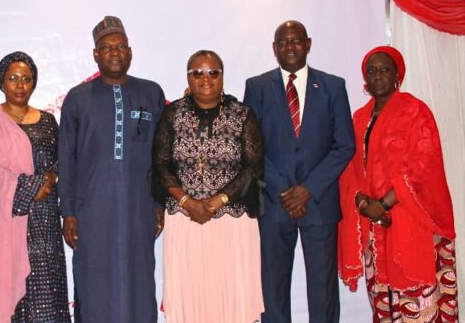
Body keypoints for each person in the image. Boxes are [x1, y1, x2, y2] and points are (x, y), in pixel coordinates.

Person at [243, 20, 355, 322]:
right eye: (283, 42)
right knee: (273, 290)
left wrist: (308, 189)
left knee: (323, 290)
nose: (290, 46)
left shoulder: (333, 86)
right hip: (275, 204)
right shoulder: (257, 87)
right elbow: (251, 146)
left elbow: (344, 145)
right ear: (274, 49)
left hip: (319, 203)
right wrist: (284, 191)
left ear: (308, 44)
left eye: (296, 40)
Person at [337, 46, 458, 322]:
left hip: (412, 219)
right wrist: (363, 203)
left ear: (397, 75)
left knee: (420, 300)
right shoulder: (358, 118)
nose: (377, 76)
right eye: (372, 70)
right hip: (373, 226)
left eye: (384, 69)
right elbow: (348, 168)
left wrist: (384, 204)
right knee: (384, 302)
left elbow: (423, 166)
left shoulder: (415, 111)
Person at [58, 16, 165, 322]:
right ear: (95, 54)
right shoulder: (77, 98)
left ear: (130, 52)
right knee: (94, 283)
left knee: (140, 279)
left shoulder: (151, 93)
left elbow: (161, 156)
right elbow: (67, 160)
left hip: (139, 208)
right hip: (92, 211)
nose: (114, 52)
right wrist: (68, 212)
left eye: (120, 47)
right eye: (107, 48)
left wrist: (159, 204)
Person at [152, 50, 264, 322]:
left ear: (222, 77)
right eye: (198, 73)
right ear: (188, 78)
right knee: (191, 293)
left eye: (213, 72)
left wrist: (217, 202)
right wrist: (187, 202)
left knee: (231, 294)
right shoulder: (172, 114)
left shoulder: (242, 115)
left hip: (232, 221)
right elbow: (161, 164)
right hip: (185, 219)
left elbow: (253, 166)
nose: (206, 78)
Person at [0, 51, 70, 322]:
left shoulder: (48, 122)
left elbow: (63, 161)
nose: (20, 85)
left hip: (45, 226)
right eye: (13, 78)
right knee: (12, 302)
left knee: (47, 299)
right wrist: (32, 185)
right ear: (2, 82)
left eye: (26, 79)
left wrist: (53, 179)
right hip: (6, 222)